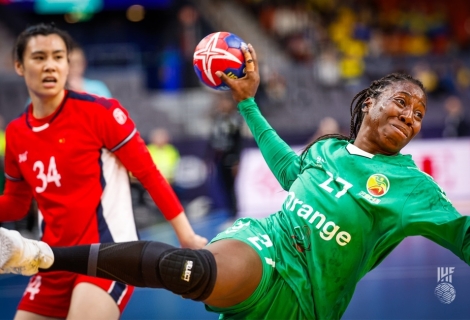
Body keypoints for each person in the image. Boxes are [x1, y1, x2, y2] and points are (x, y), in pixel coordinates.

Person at [2, 44, 469, 320]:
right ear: (369, 102)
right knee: (190, 269)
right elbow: (290, 172)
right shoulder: (328, 150)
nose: (410, 117)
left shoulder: (413, 187)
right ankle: (37, 254)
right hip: (265, 246)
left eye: (419, 115)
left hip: (303, 300)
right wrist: (248, 102)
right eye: (402, 102)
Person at [0, 22, 207, 320]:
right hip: (50, 260)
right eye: (39, 57)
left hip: (107, 255)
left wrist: (186, 236)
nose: (50, 66)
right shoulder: (17, 133)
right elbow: (16, 203)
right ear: (19, 66)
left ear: (68, 64)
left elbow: (148, 173)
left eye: (58, 57)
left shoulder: (100, 111)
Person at [206, 93, 243, 219]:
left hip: (230, 156)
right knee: (223, 184)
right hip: (218, 156)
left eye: (225, 103)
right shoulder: (218, 118)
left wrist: (236, 159)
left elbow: (238, 141)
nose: (222, 105)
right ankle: (229, 212)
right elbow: (212, 138)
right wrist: (208, 156)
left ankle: (235, 212)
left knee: (232, 185)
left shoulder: (234, 120)